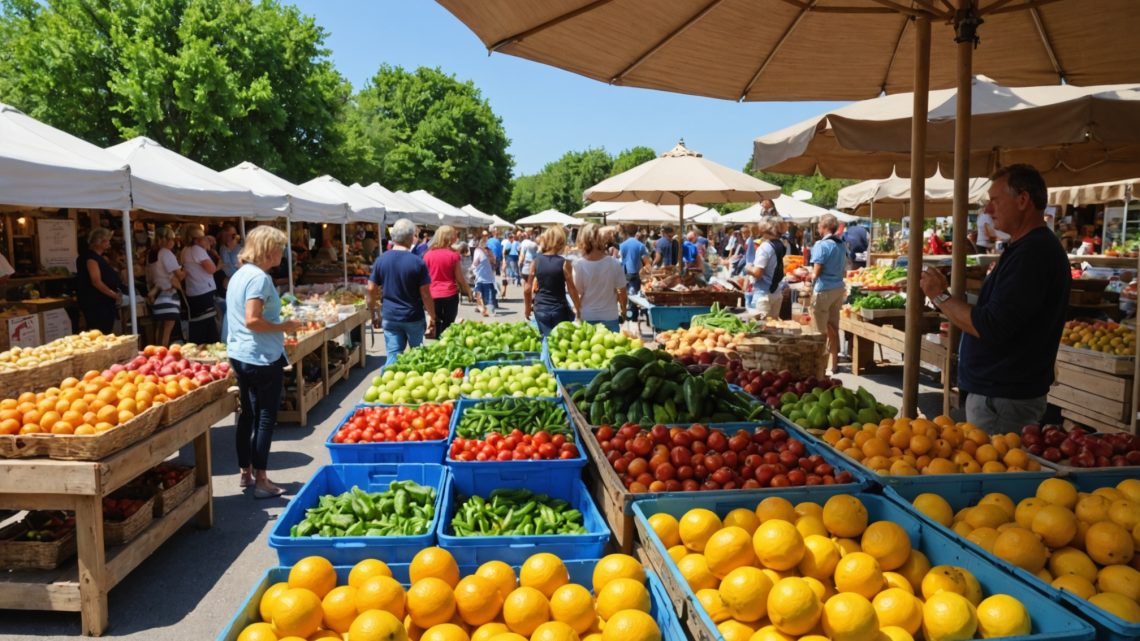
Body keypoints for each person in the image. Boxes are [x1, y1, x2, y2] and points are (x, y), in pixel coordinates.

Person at [920, 164, 1071, 434]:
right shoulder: (1026, 248)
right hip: (1001, 396)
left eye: (994, 200)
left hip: (1003, 399)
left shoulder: (1032, 254)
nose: (988, 210)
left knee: (991, 472)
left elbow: (990, 325)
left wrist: (939, 296)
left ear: (1023, 200)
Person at [226, 226, 301, 499]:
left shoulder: (239, 275)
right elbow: (252, 319)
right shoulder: (259, 278)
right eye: (280, 247)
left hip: (240, 353)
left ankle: (245, 472)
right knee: (266, 417)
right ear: (269, 250)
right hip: (260, 357)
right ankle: (262, 480)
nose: (283, 252)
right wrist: (285, 325)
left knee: (247, 414)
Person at [368, 218, 436, 366]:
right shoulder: (418, 262)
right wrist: (433, 315)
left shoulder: (381, 260)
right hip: (413, 316)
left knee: (393, 356)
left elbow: (371, 289)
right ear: (411, 238)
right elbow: (425, 293)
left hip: (391, 316)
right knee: (417, 356)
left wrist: (373, 312)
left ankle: (386, 385)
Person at [805, 213, 847, 374]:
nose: (818, 228)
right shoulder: (841, 244)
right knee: (833, 328)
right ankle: (833, 364)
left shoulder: (821, 245)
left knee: (818, 330)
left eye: (819, 225)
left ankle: (818, 365)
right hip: (838, 288)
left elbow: (817, 271)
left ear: (823, 227)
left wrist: (808, 279)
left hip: (824, 289)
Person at [525, 226, 581, 337]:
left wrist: (527, 309)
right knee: (559, 342)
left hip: (540, 308)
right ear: (561, 242)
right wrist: (579, 308)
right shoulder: (565, 263)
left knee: (546, 338)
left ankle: (545, 354)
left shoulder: (536, 262)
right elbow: (571, 289)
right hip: (559, 309)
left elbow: (527, 289)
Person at [573, 223, 627, 332]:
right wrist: (624, 310)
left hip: (587, 316)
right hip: (609, 315)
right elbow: (622, 291)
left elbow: (578, 292)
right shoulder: (614, 263)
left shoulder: (579, 264)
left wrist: (577, 313)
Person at [423, 226, 474, 336]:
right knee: (448, 325)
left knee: (437, 322)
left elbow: (424, 278)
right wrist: (468, 290)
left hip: (433, 294)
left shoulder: (427, 255)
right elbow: (459, 278)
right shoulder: (453, 255)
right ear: (450, 237)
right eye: (454, 235)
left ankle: (438, 343)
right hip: (449, 294)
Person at [76, 228, 124, 334]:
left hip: (103, 303)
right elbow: (96, 281)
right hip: (97, 305)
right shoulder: (91, 258)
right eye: (107, 240)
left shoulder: (99, 257)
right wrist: (114, 295)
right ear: (99, 241)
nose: (109, 243)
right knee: (101, 332)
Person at [180, 224, 220, 343]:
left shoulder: (185, 250)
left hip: (193, 291)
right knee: (208, 327)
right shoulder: (197, 250)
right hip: (203, 291)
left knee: (198, 326)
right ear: (197, 239)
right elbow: (211, 269)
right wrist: (219, 265)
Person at [146, 227, 185, 347]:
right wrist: (186, 268)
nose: (174, 242)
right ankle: (162, 352)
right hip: (168, 294)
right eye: (172, 239)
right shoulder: (166, 253)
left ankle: (156, 351)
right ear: (167, 240)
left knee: (160, 328)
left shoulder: (151, 254)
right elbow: (180, 275)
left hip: (156, 294)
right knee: (167, 329)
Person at [747, 218, 785, 319]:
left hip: (764, 294)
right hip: (776, 292)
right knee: (773, 327)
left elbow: (758, 273)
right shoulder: (780, 244)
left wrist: (748, 269)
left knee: (761, 329)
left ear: (763, 230)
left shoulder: (765, 247)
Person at [619, 224, 650, 321]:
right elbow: (647, 262)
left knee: (626, 295)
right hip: (635, 274)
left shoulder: (622, 245)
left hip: (624, 272)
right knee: (633, 297)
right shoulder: (641, 245)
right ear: (636, 231)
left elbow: (621, 258)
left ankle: (628, 315)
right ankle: (632, 316)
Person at [471, 237, 498, 316]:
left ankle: (483, 308)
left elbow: (475, 263)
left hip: (481, 276)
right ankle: (485, 308)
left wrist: (472, 268)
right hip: (488, 276)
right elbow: (494, 262)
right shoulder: (489, 251)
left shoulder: (478, 251)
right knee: (487, 294)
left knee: (479, 292)